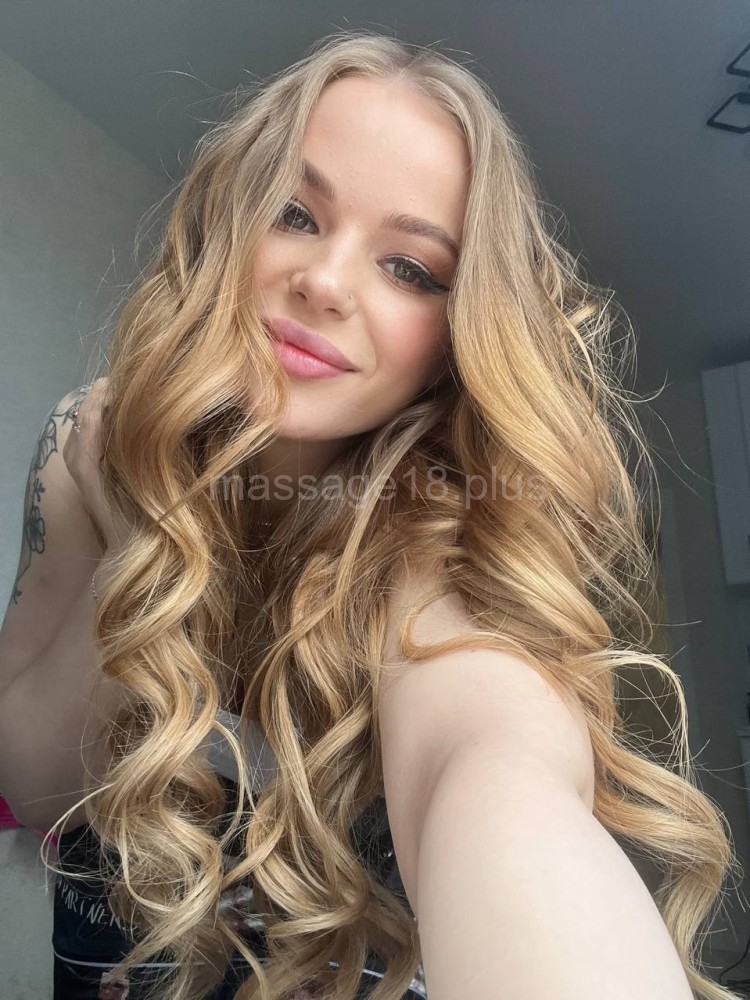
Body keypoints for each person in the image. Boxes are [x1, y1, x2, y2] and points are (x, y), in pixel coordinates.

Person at [0, 28, 741, 1000]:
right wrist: (142, 546)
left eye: (410, 269)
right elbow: (35, 786)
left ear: (454, 334)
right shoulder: (93, 443)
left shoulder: (445, 528)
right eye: (294, 213)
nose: (324, 281)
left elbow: (493, 760)